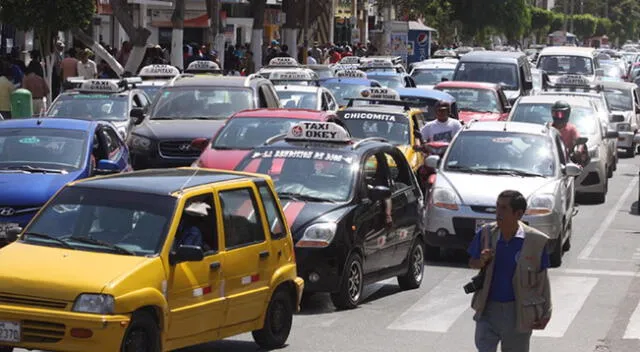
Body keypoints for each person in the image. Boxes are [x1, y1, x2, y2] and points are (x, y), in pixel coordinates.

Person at [467, 190, 552, 352]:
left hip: (518, 312)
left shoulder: (536, 242)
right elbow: (472, 263)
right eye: (497, 206)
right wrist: (482, 261)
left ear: (518, 214)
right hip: (488, 309)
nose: (498, 212)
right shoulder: (486, 234)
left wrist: (546, 312)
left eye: (504, 208)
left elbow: (543, 281)